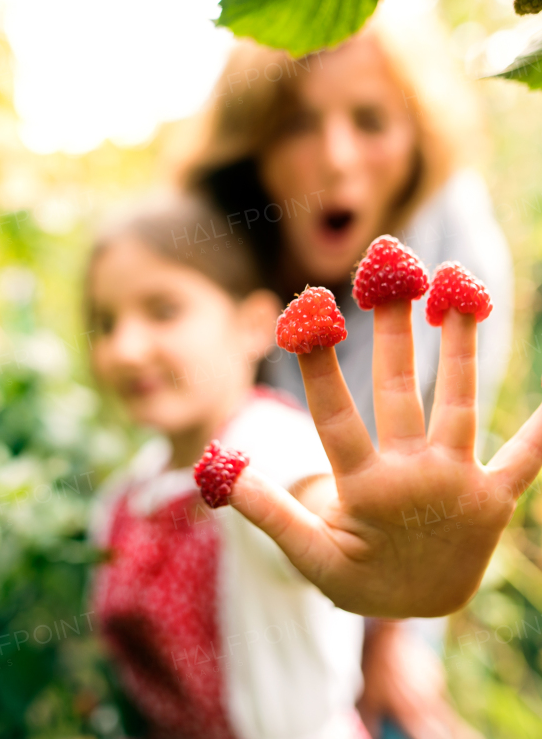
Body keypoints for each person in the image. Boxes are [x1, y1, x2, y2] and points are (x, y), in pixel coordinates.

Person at [173, 11, 514, 738]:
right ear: (254, 146)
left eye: (370, 120)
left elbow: (450, 448)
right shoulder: (209, 255)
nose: (335, 157)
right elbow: (214, 444)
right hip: (250, 554)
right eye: (296, 122)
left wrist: (394, 639)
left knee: (401, 709)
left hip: (407, 543)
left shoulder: (459, 248)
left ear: (418, 143)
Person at [85, 196, 372, 739]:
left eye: (163, 310)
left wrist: (356, 529)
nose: (123, 348)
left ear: (252, 325)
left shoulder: (266, 441)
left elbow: (316, 504)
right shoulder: (125, 494)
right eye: (104, 322)